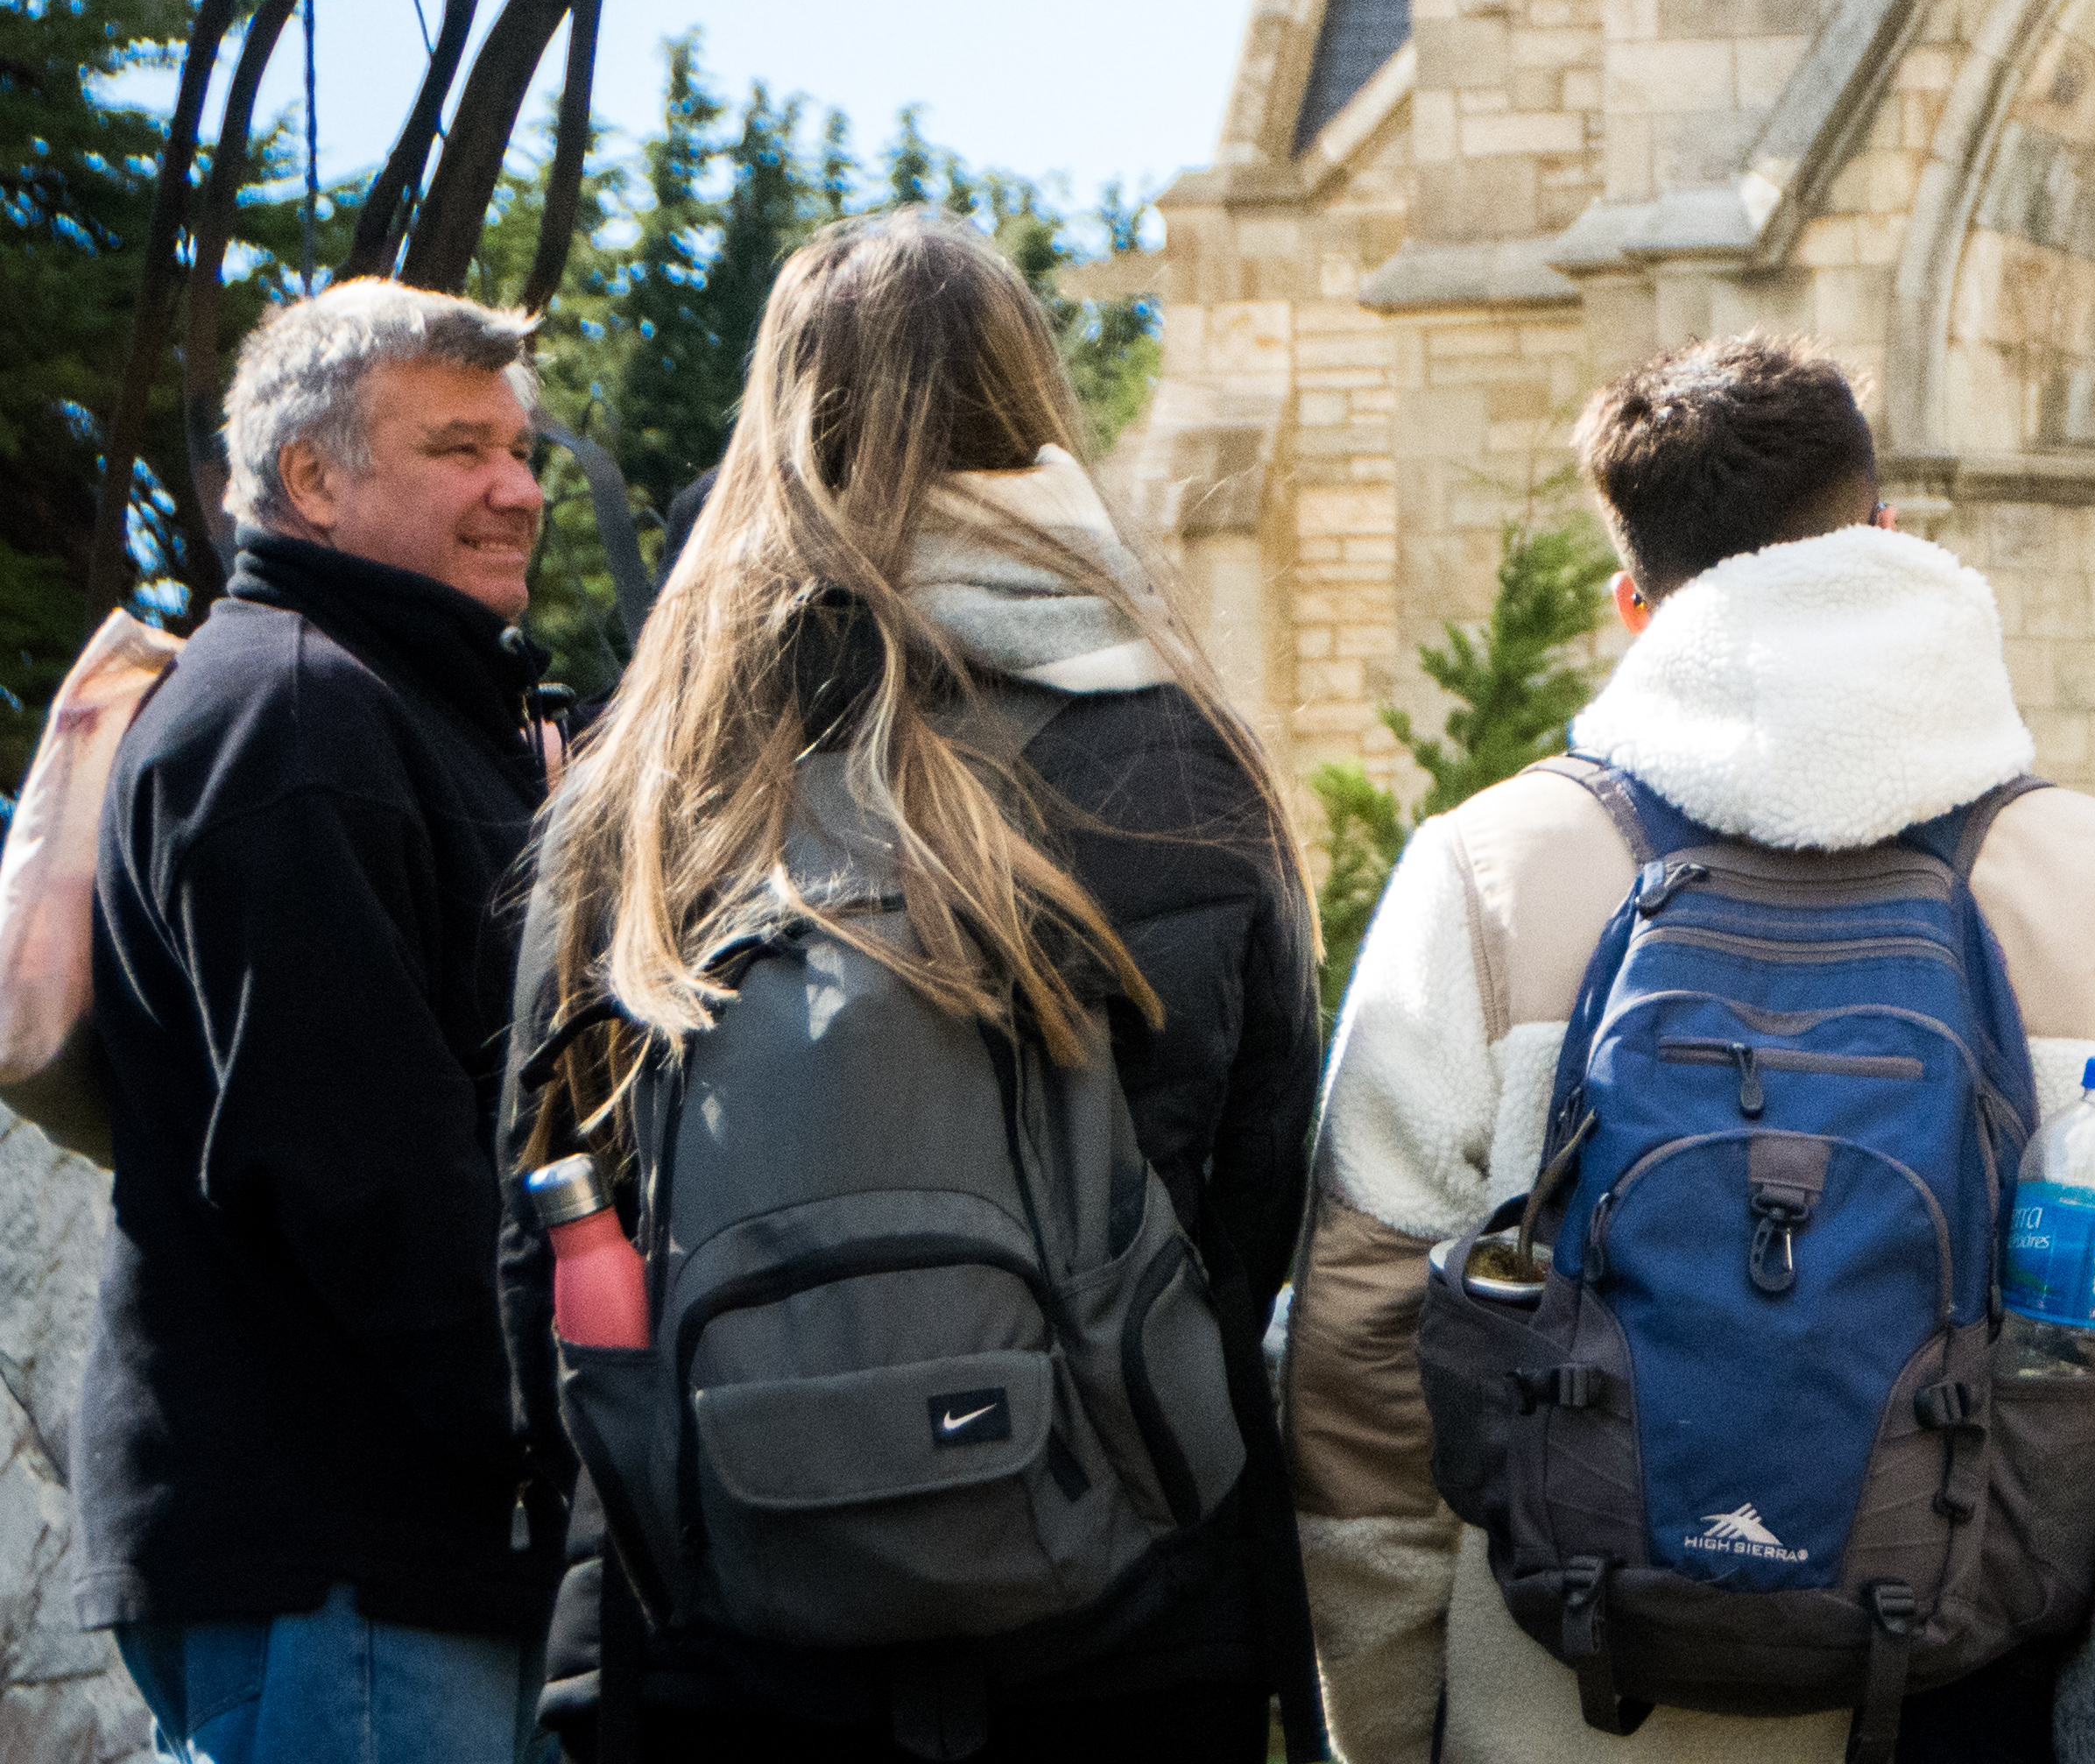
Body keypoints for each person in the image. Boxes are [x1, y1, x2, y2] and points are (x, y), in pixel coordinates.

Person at [1285, 332, 2095, 1761]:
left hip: (1569, 1695)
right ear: (1885, 539)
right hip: (1975, 1694)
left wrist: (1391, 1717)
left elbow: (1363, 1337)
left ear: (1633, 606)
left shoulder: (1489, 869)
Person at [500, 213, 1322, 1759]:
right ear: (1029, 410)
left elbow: (542, 1209)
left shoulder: (660, 772)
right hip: (1127, 1629)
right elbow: (1252, 1202)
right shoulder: (1172, 750)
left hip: (725, 1620)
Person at [82, 280, 561, 1764]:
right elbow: (371, 1179)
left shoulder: (387, 705)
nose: (517, 490)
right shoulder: (294, 719)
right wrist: (580, 1454)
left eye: (523, 449)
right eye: (459, 448)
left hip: (390, 1570)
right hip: (347, 1580)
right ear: (310, 480)